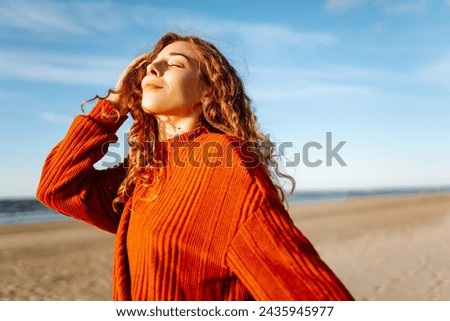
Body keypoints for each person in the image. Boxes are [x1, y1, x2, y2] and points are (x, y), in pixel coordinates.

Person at [36, 32, 354, 301]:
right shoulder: (143, 172)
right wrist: (116, 102)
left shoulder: (222, 160)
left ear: (207, 90)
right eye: (148, 66)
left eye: (175, 64)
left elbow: (309, 295)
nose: (153, 69)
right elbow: (58, 187)